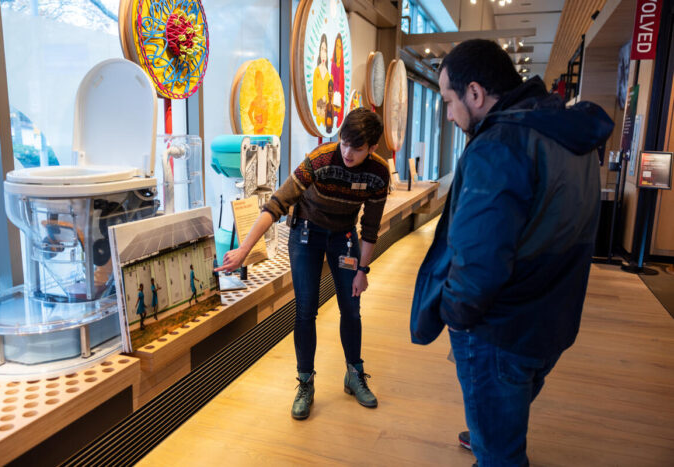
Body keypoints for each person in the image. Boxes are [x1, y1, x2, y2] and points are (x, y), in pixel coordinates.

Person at [409, 39, 614, 466]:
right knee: (508, 403)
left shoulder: (499, 146)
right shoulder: (568, 135)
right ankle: (491, 429)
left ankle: (492, 440)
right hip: (553, 316)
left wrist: (456, 316)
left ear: (476, 93)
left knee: (500, 454)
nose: (447, 114)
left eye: (448, 100)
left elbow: (479, 260)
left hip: (501, 329)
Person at [217, 108, 390, 420]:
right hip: (307, 231)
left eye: (357, 147)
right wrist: (243, 250)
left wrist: (363, 271)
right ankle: (305, 383)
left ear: (373, 148)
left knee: (351, 306)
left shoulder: (378, 173)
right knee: (306, 309)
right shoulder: (320, 159)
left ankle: (354, 373)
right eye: (345, 142)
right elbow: (276, 204)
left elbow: (371, 229)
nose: (348, 152)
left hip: (344, 235)